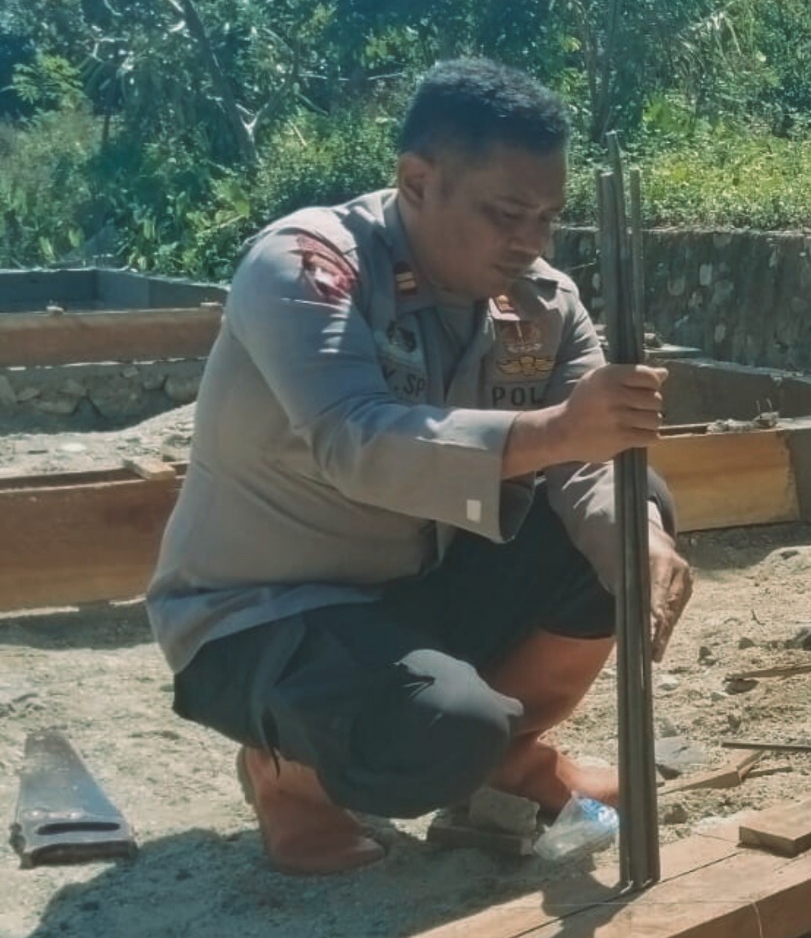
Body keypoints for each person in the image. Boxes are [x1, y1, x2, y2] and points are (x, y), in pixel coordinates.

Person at [148, 58, 693, 875]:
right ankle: (287, 778)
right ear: (416, 179)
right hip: (263, 614)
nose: (532, 242)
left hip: (413, 585)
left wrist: (637, 543)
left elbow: (584, 465)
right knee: (439, 730)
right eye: (507, 213)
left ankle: (509, 760)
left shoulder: (541, 302)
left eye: (548, 216)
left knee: (629, 496)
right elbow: (352, 440)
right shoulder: (306, 265)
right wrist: (554, 429)